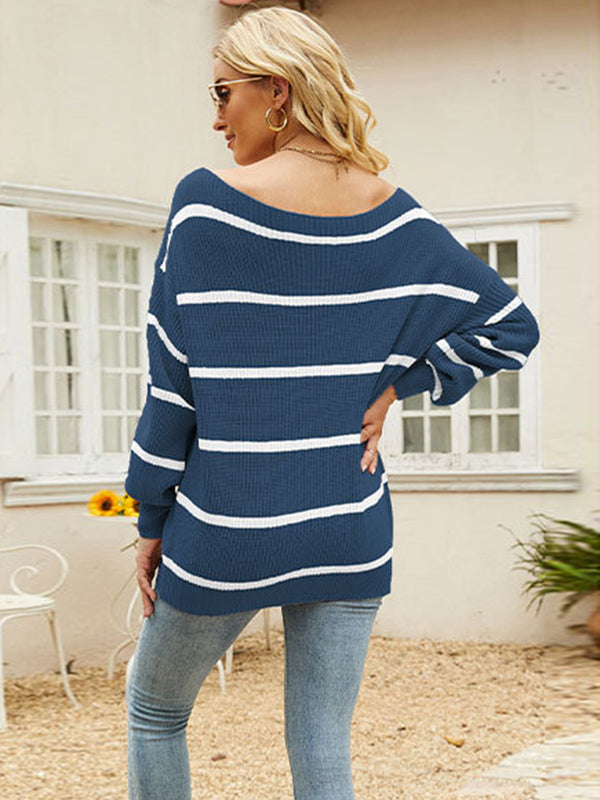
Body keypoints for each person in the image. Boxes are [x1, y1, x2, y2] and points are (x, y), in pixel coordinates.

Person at [124, 7, 540, 800]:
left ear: (276, 90)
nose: (216, 118)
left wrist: (150, 517)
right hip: (349, 526)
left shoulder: (206, 206)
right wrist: (400, 386)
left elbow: (172, 386)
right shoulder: (399, 217)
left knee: (155, 710)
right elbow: (511, 324)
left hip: (228, 526)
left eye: (223, 93)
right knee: (321, 742)